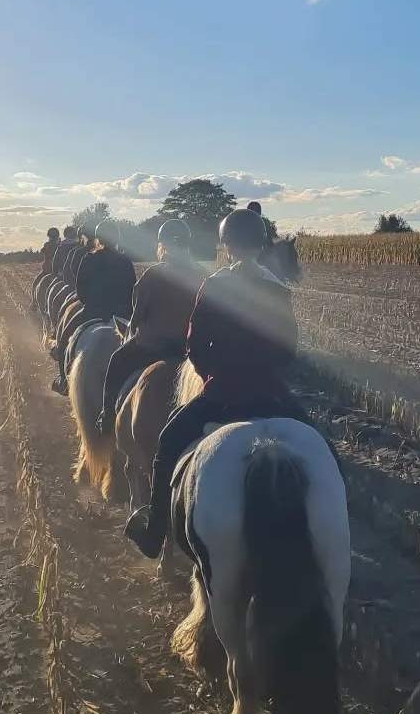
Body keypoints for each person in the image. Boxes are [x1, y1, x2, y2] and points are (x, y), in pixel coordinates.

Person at [124, 208, 307, 558]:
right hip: (272, 395)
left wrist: (214, 373)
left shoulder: (216, 285)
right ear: (261, 244)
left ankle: (154, 534)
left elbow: (194, 345)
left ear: (227, 245)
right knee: (323, 449)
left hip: (223, 394)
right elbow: (289, 350)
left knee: (167, 446)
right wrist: (266, 372)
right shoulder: (278, 290)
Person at [95, 219, 204, 434]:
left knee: (116, 361)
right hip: (188, 351)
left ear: (163, 245)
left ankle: (107, 417)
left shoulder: (153, 275)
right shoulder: (201, 276)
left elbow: (137, 315)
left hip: (152, 347)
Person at [52, 218, 136, 395]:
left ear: (98, 239)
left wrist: (93, 303)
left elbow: (81, 291)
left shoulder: (88, 259)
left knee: (63, 340)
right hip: (122, 315)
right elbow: (132, 291)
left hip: (93, 312)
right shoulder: (125, 261)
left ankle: (63, 380)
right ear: (117, 238)